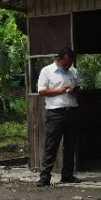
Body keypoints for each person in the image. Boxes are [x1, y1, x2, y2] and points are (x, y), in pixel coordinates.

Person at [35, 47, 83, 187]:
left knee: (70, 145)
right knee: (52, 144)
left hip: (71, 109)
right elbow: (42, 91)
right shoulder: (47, 71)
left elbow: (80, 88)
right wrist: (60, 90)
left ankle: (67, 174)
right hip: (56, 112)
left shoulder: (73, 71)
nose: (68, 67)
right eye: (65, 64)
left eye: (70, 64)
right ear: (58, 59)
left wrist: (76, 92)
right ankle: (45, 177)